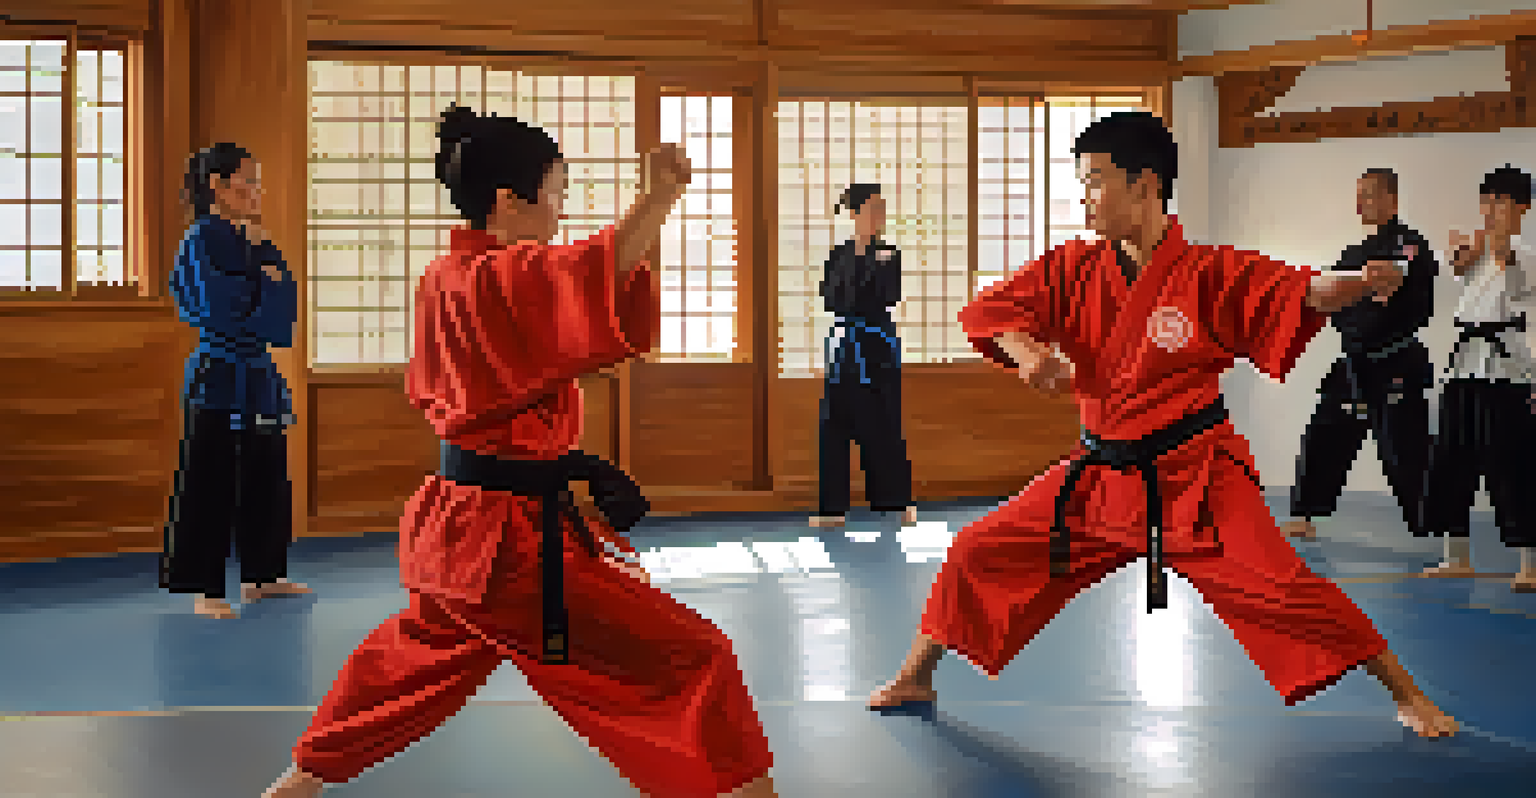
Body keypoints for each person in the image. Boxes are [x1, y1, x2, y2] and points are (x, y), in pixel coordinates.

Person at [866, 111, 1459, 740]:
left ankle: (1408, 693)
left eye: (1096, 182)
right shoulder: (1074, 267)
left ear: (1144, 185)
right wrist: (1028, 352)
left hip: (1194, 474)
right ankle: (916, 673)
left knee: (1283, 587)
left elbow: (1299, 290)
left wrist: (1361, 284)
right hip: (1099, 473)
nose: (1086, 198)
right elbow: (989, 310)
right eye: (1083, 183)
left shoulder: (1207, 271)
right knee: (978, 548)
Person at [262, 106, 778, 798]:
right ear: (509, 200)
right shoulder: (496, 277)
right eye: (557, 192)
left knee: (407, 667)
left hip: (453, 533)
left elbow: (570, 281)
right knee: (695, 656)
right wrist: (657, 200)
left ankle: (295, 787)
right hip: (510, 548)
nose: (561, 212)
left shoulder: (444, 276)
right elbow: (574, 276)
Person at [161, 143, 311, 620]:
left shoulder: (256, 240)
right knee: (210, 478)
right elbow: (221, 309)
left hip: (258, 372)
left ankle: (262, 577)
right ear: (218, 187)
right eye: (247, 180)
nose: (256, 190)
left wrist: (264, 281)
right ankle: (204, 586)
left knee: (267, 474)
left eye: (256, 180)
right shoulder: (201, 240)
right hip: (219, 373)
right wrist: (264, 284)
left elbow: (284, 308)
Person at [1283, 168, 1438, 540]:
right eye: (1358, 195)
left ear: (1391, 199)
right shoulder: (1353, 253)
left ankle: (1433, 523)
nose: (1360, 203)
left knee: (1405, 448)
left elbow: (1395, 283)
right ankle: (1305, 515)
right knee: (1324, 433)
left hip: (1397, 360)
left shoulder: (1410, 244)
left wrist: (1373, 286)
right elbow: (1332, 297)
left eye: (1368, 194)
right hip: (1355, 362)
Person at [1417, 165, 1536, 592]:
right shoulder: (1478, 255)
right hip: (1464, 369)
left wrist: (1489, 244)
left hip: (1509, 374)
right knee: (1451, 463)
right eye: (1485, 202)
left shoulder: (1526, 255)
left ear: (1522, 206)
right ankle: (1456, 557)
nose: (1489, 211)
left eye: (1500, 202)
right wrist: (1467, 254)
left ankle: (1531, 563)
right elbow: (1463, 275)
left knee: (1515, 468)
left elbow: (1512, 274)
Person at [812, 183, 918, 529]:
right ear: (855, 214)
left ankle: (896, 504)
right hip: (845, 346)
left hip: (877, 345)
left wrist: (856, 296)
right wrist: (857, 292)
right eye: (873, 209)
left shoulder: (890, 253)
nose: (880, 216)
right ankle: (832, 509)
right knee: (833, 424)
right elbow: (830, 299)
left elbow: (888, 298)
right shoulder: (837, 254)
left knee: (885, 421)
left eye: (882, 209)